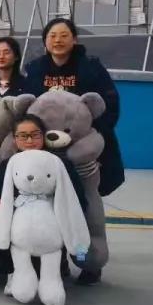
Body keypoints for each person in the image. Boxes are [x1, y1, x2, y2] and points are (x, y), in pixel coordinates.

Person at [22, 17, 121, 285]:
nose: (58, 40)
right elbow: (29, 111)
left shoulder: (90, 68)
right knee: (49, 209)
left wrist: (91, 139)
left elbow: (109, 105)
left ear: (74, 39)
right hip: (46, 154)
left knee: (85, 209)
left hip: (81, 155)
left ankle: (90, 261)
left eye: (64, 35)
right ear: (45, 41)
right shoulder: (36, 69)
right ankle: (57, 259)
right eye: (52, 35)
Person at [0, 113, 89, 282]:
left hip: (51, 227)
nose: (29, 141)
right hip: (18, 228)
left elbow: (76, 198)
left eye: (35, 135)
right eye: (23, 136)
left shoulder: (59, 163)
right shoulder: (8, 164)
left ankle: (62, 264)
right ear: (15, 139)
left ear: (43, 136)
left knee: (56, 263)